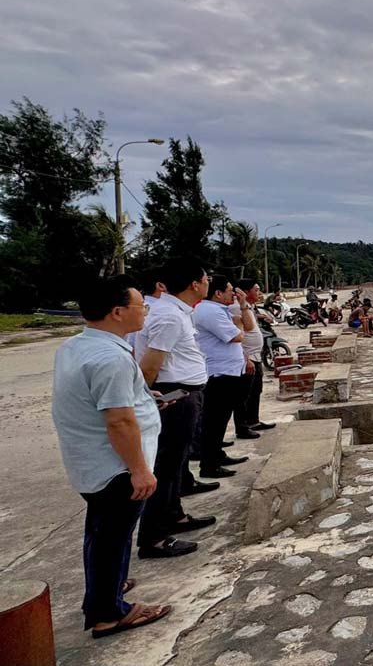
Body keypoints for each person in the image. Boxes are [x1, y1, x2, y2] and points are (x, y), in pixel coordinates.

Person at [51, 274, 172, 637]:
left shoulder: (77, 346)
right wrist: (138, 470)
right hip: (115, 466)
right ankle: (108, 612)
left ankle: (105, 590)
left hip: (92, 462)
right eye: (141, 306)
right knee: (112, 537)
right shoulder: (109, 358)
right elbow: (118, 421)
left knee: (101, 533)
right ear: (118, 312)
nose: (146, 312)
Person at [136, 260, 218, 559]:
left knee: (176, 462)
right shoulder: (169, 316)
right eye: (206, 278)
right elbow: (149, 367)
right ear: (194, 284)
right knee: (167, 467)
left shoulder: (175, 313)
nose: (208, 282)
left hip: (184, 393)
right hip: (175, 395)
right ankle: (154, 537)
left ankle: (173, 515)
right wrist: (148, 402)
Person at [194, 276, 253, 478]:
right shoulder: (210, 311)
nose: (233, 295)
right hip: (219, 374)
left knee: (220, 420)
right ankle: (209, 465)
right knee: (214, 422)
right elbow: (237, 336)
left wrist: (242, 308)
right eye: (230, 291)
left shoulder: (218, 310)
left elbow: (246, 328)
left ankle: (217, 455)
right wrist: (239, 326)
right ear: (218, 293)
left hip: (227, 372)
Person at [231, 279, 275, 438]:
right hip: (247, 356)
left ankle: (253, 420)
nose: (259, 293)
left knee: (255, 390)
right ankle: (242, 427)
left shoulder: (248, 307)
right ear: (245, 292)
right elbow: (238, 335)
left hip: (255, 356)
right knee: (244, 394)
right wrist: (245, 358)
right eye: (256, 290)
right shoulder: (236, 308)